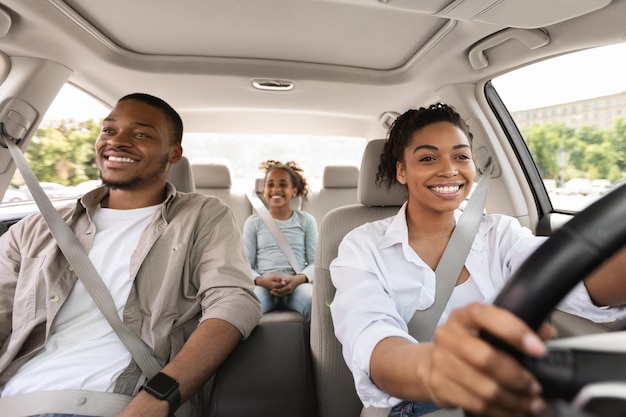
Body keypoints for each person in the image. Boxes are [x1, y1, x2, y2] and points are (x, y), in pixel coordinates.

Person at [329, 103, 626, 417]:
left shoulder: (499, 233)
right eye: (428, 158)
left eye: (461, 156)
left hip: (504, 396)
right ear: (401, 170)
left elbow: (568, 274)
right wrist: (436, 370)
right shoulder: (362, 245)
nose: (449, 170)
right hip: (412, 404)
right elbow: (369, 333)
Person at [0, 93, 262, 417]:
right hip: (14, 401)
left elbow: (234, 300)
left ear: (174, 154)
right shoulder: (34, 229)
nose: (117, 141)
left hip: (120, 404)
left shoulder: (201, 215)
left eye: (140, 134)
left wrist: (157, 400)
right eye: (108, 130)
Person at [242, 160, 317, 322]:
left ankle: (318, 348)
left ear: (294, 191)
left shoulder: (306, 221)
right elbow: (245, 264)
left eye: (283, 185)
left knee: (314, 302)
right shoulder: (253, 223)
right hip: (263, 286)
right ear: (264, 190)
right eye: (270, 184)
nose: (276, 189)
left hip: (296, 285)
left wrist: (297, 280)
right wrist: (262, 281)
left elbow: (314, 262)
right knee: (246, 306)